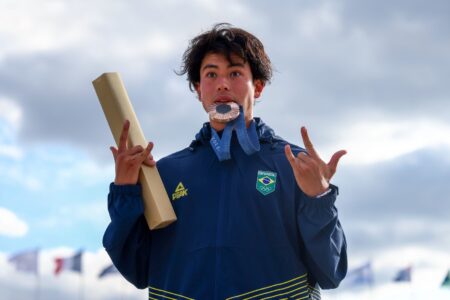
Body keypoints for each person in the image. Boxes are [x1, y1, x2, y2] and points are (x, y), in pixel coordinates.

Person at [104, 23, 347, 300]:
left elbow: (331, 271)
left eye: (234, 73)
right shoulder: (167, 173)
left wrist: (319, 197)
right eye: (211, 74)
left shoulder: (294, 165)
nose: (222, 83)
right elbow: (137, 270)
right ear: (198, 89)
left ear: (257, 87)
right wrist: (125, 191)